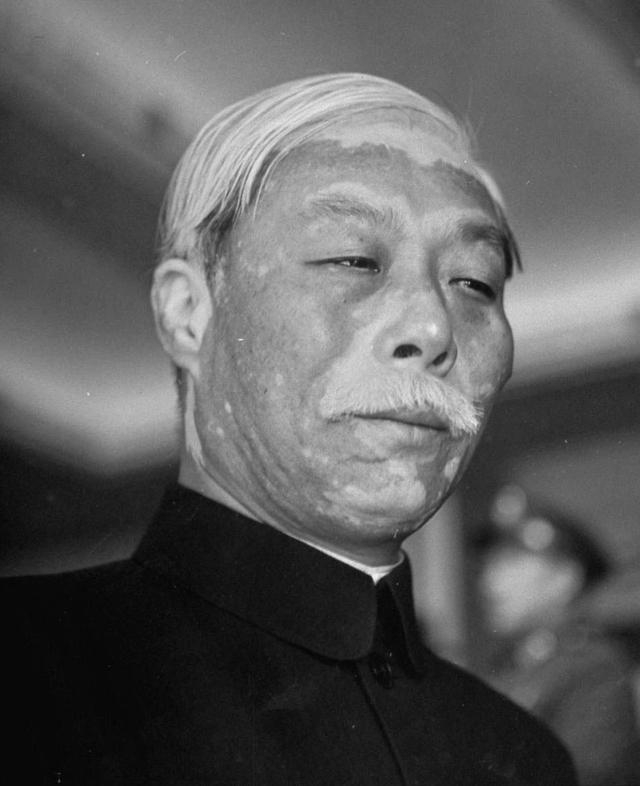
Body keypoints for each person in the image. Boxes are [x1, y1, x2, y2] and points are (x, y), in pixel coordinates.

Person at [1, 73, 577, 784]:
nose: (434, 327)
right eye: (354, 260)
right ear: (189, 313)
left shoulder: (527, 757)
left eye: (475, 283)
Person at [476, 484, 640, 786]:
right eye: (489, 563)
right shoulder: (506, 665)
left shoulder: (594, 668)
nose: (490, 581)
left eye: (511, 562)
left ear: (564, 579)